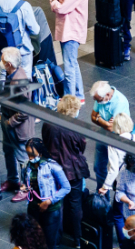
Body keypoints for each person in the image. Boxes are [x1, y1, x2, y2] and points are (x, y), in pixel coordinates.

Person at [42, 95, 89, 249]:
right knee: (75, 205)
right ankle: (76, 239)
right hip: (73, 171)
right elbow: (81, 147)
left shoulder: (48, 123)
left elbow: (45, 143)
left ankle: (56, 238)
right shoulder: (77, 126)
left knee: (57, 203)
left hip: (54, 170)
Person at [21, 137, 71, 249]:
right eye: (28, 154)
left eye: (33, 154)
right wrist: (24, 187)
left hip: (51, 211)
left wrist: (49, 201)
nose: (30, 157)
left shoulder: (52, 166)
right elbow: (24, 182)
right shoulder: (26, 165)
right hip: (33, 208)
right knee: (34, 240)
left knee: (49, 243)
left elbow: (66, 187)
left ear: (40, 151)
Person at [50, 0, 88, 101]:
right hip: (64, 28)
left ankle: (69, 99)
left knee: (69, 67)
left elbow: (63, 8)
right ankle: (79, 95)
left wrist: (55, 2)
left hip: (71, 31)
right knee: (72, 62)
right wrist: (56, 0)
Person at [0, 47, 34, 202]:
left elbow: (24, 111)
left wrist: (9, 122)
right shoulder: (11, 74)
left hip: (17, 127)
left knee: (22, 158)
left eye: (2, 60)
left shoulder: (20, 81)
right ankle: (13, 179)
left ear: (9, 64)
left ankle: (26, 188)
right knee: (8, 150)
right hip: (8, 122)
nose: (0, 62)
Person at [0, 0, 40, 80]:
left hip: (3, 51)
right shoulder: (24, 6)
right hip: (22, 52)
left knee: (3, 79)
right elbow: (35, 30)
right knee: (24, 82)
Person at [99, 113, 135, 195]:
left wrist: (105, 187)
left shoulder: (113, 145)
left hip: (122, 179)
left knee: (120, 202)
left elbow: (114, 170)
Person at [91, 80, 131, 189]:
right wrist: (102, 120)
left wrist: (99, 118)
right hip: (103, 135)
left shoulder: (120, 102)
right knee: (98, 167)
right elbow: (93, 117)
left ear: (108, 95)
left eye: (98, 100)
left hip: (117, 139)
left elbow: (112, 127)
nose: (97, 102)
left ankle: (115, 195)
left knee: (116, 170)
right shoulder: (99, 97)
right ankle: (102, 195)